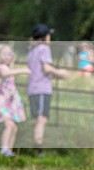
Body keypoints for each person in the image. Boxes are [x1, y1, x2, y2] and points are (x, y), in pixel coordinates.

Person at [27, 24, 71, 156]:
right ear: (45, 37)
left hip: (32, 89)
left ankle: (37, 145)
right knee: (42, 119)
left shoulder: (32, 51)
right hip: (42, 89)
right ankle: (38, 148)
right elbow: (46, 68)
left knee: (39, 119)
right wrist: (60, 73)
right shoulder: (44, 49)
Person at [0, 44, 29, 157]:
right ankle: (4, 149)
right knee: (8, 125)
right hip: (2, 102)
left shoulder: (8, 68)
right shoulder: (1, 67)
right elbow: (5, 74)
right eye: (5, 54)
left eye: (10, 54)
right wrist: (22, 70)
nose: (9, 56)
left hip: (10, 102)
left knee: (14, 127)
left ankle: (9, 151)